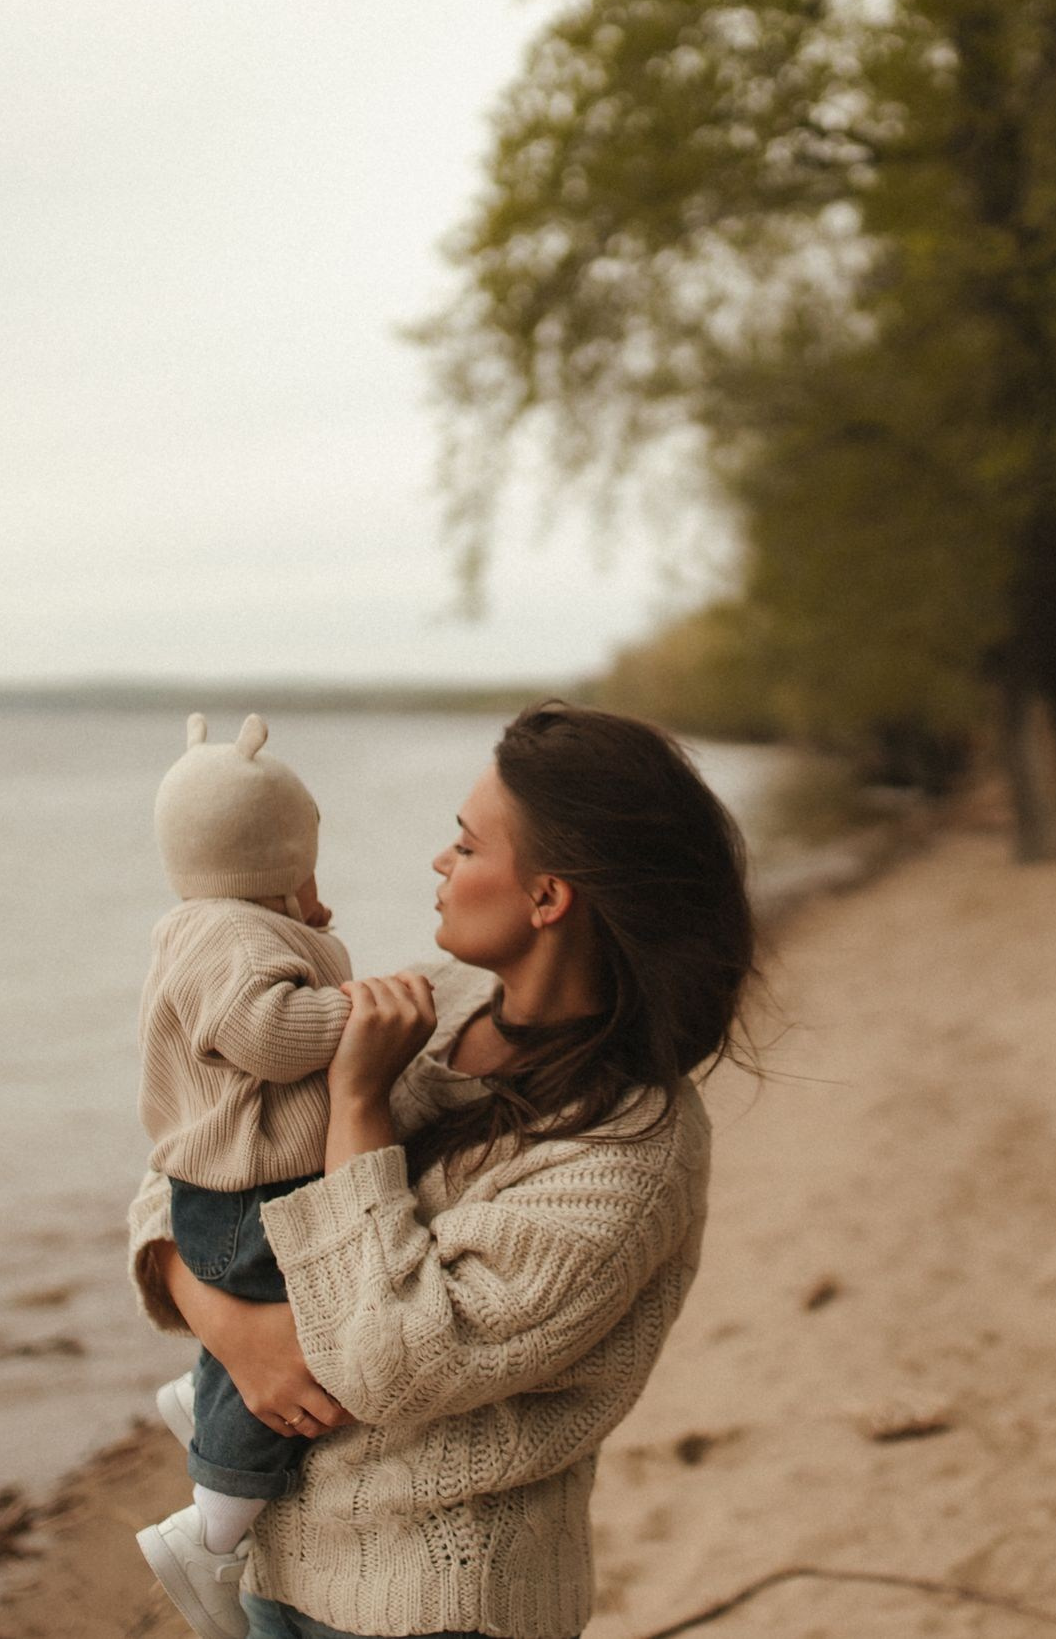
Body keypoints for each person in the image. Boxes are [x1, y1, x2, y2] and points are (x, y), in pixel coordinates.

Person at [124, 701, 755, 1639]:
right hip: (276, 1568)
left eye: (466, 845)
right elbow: (191, 1163)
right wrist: (235, 1331)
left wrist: (360, 1109)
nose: (439, 863)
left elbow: (390, 1363)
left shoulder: (631, 1148)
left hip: (439, 1603)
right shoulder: (435, 1003)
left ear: (548, 897)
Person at [132, 712, 356, 1627]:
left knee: (267, 1319)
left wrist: (301, 932)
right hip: (249, 1196)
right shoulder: (232, 937)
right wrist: (353, 1013)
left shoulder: (222, 926)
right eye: (306, 865)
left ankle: (201, 1392)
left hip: (223, 1194)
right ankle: (210, 1530)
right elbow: (267, 1034)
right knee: (293, 1324)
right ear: (273, 858)